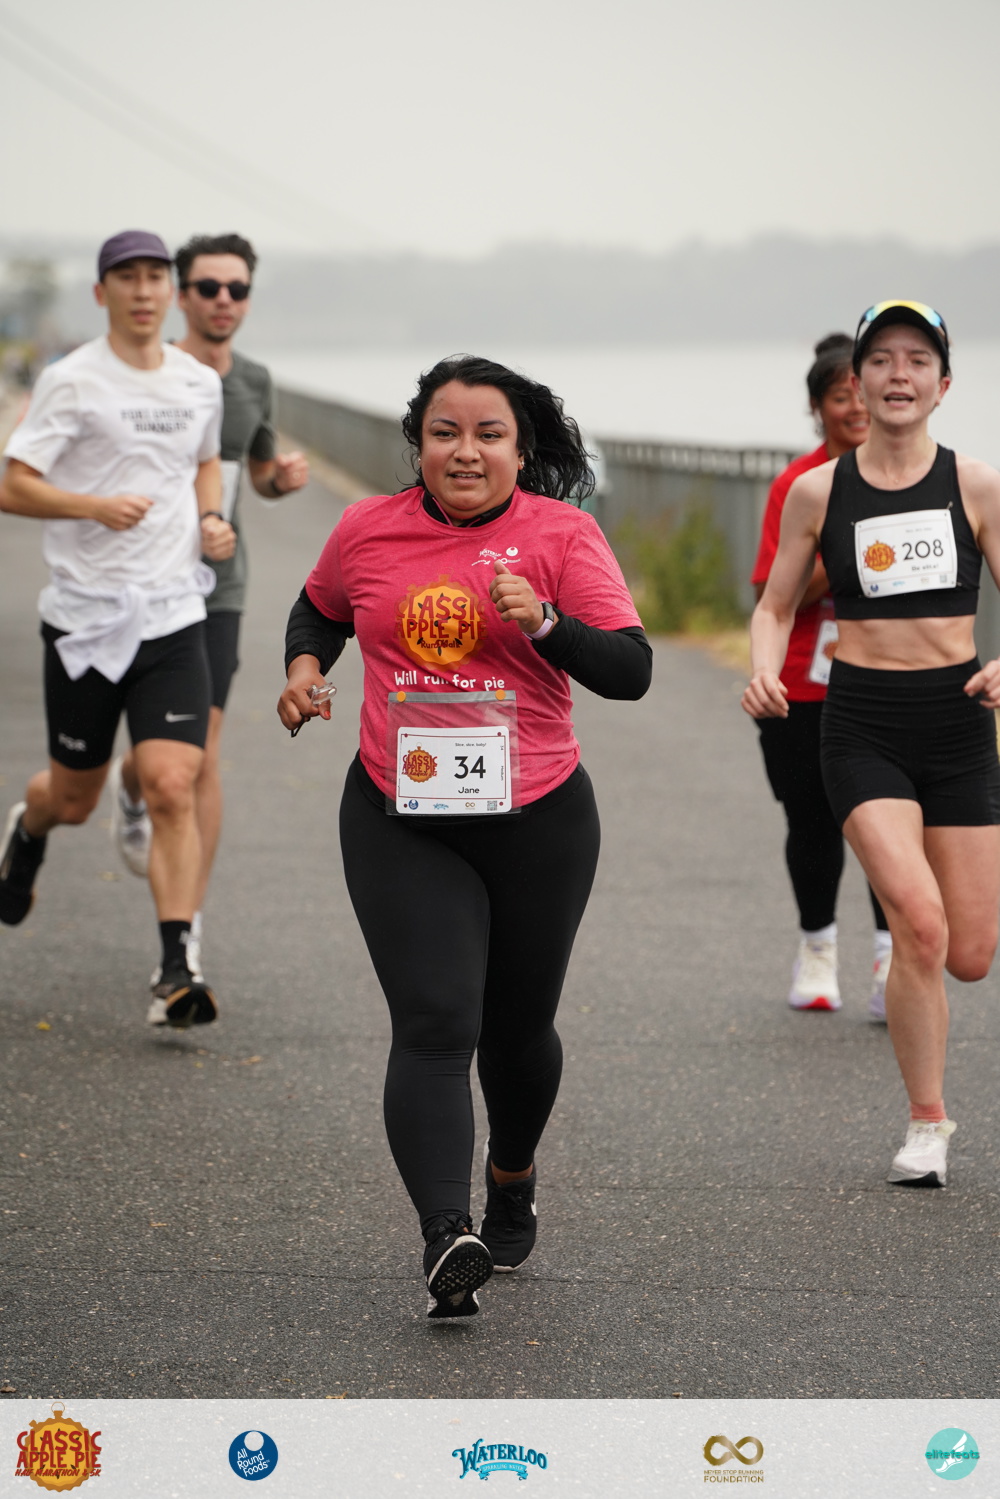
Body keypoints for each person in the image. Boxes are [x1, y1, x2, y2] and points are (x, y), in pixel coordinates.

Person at [277, 355, 652, 1316]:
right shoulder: (368, 528)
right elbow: (319, 609)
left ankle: (511, 1174)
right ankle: (448, 1236)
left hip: (538, 819)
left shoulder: (563, 535)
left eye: (490, 434)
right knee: (437, 1021)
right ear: (418, 444)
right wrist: (304, 671)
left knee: (517, 1032)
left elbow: (631, 670)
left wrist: (549, 624)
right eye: (445, 432)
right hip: (400, 817)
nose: (466, 451)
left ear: (521, 450)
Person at [743, 301, 1000, 1188]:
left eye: (917, 359)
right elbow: (774, 603)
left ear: (944, 383)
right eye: (881, 359)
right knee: (918, 924)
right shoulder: (820, 491)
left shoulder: (977, 484)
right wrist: (764, 668)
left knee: (969, 952)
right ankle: (927, 1123)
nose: (898, 375)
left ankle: (924, 1058)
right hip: (860, 726)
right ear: (855, 381)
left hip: (958, 723)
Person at [0, 229, 236, 1027]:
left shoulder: (197, 382)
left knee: (172, 781)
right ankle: (28, 829)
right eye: (126, 278)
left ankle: (177, 968)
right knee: (71, 798)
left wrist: (211, 516)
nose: (142, 291)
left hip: (172, 613)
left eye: (154, 277)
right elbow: (14, 485)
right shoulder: (71, 381)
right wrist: (92, 506)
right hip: (87, 620)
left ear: (171, 291)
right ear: (102, 293)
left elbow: (204, 460)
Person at [110, 234, 309, 983]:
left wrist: (280, 478)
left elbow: (255, 474)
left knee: (202, 753)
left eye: (238, 288)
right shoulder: (151, 371)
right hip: (141, 579)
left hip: (219, 585)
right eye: (209, 287)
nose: (224, 300)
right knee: (163, 761)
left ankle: (186, 923)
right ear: (182, 295)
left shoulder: (254, 379)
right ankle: (130, 786)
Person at [751, 334, 893, 1017]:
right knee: (811, 821)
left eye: (863, 393)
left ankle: (892, 963)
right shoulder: (798, 485)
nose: (856, 408)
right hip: (805, 684)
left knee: (890, 823)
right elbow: (771, 596)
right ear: (818, 408)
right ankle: (818, 950)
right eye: (841, 397)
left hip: (890, 676)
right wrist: (844, 553)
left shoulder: (905, 475)